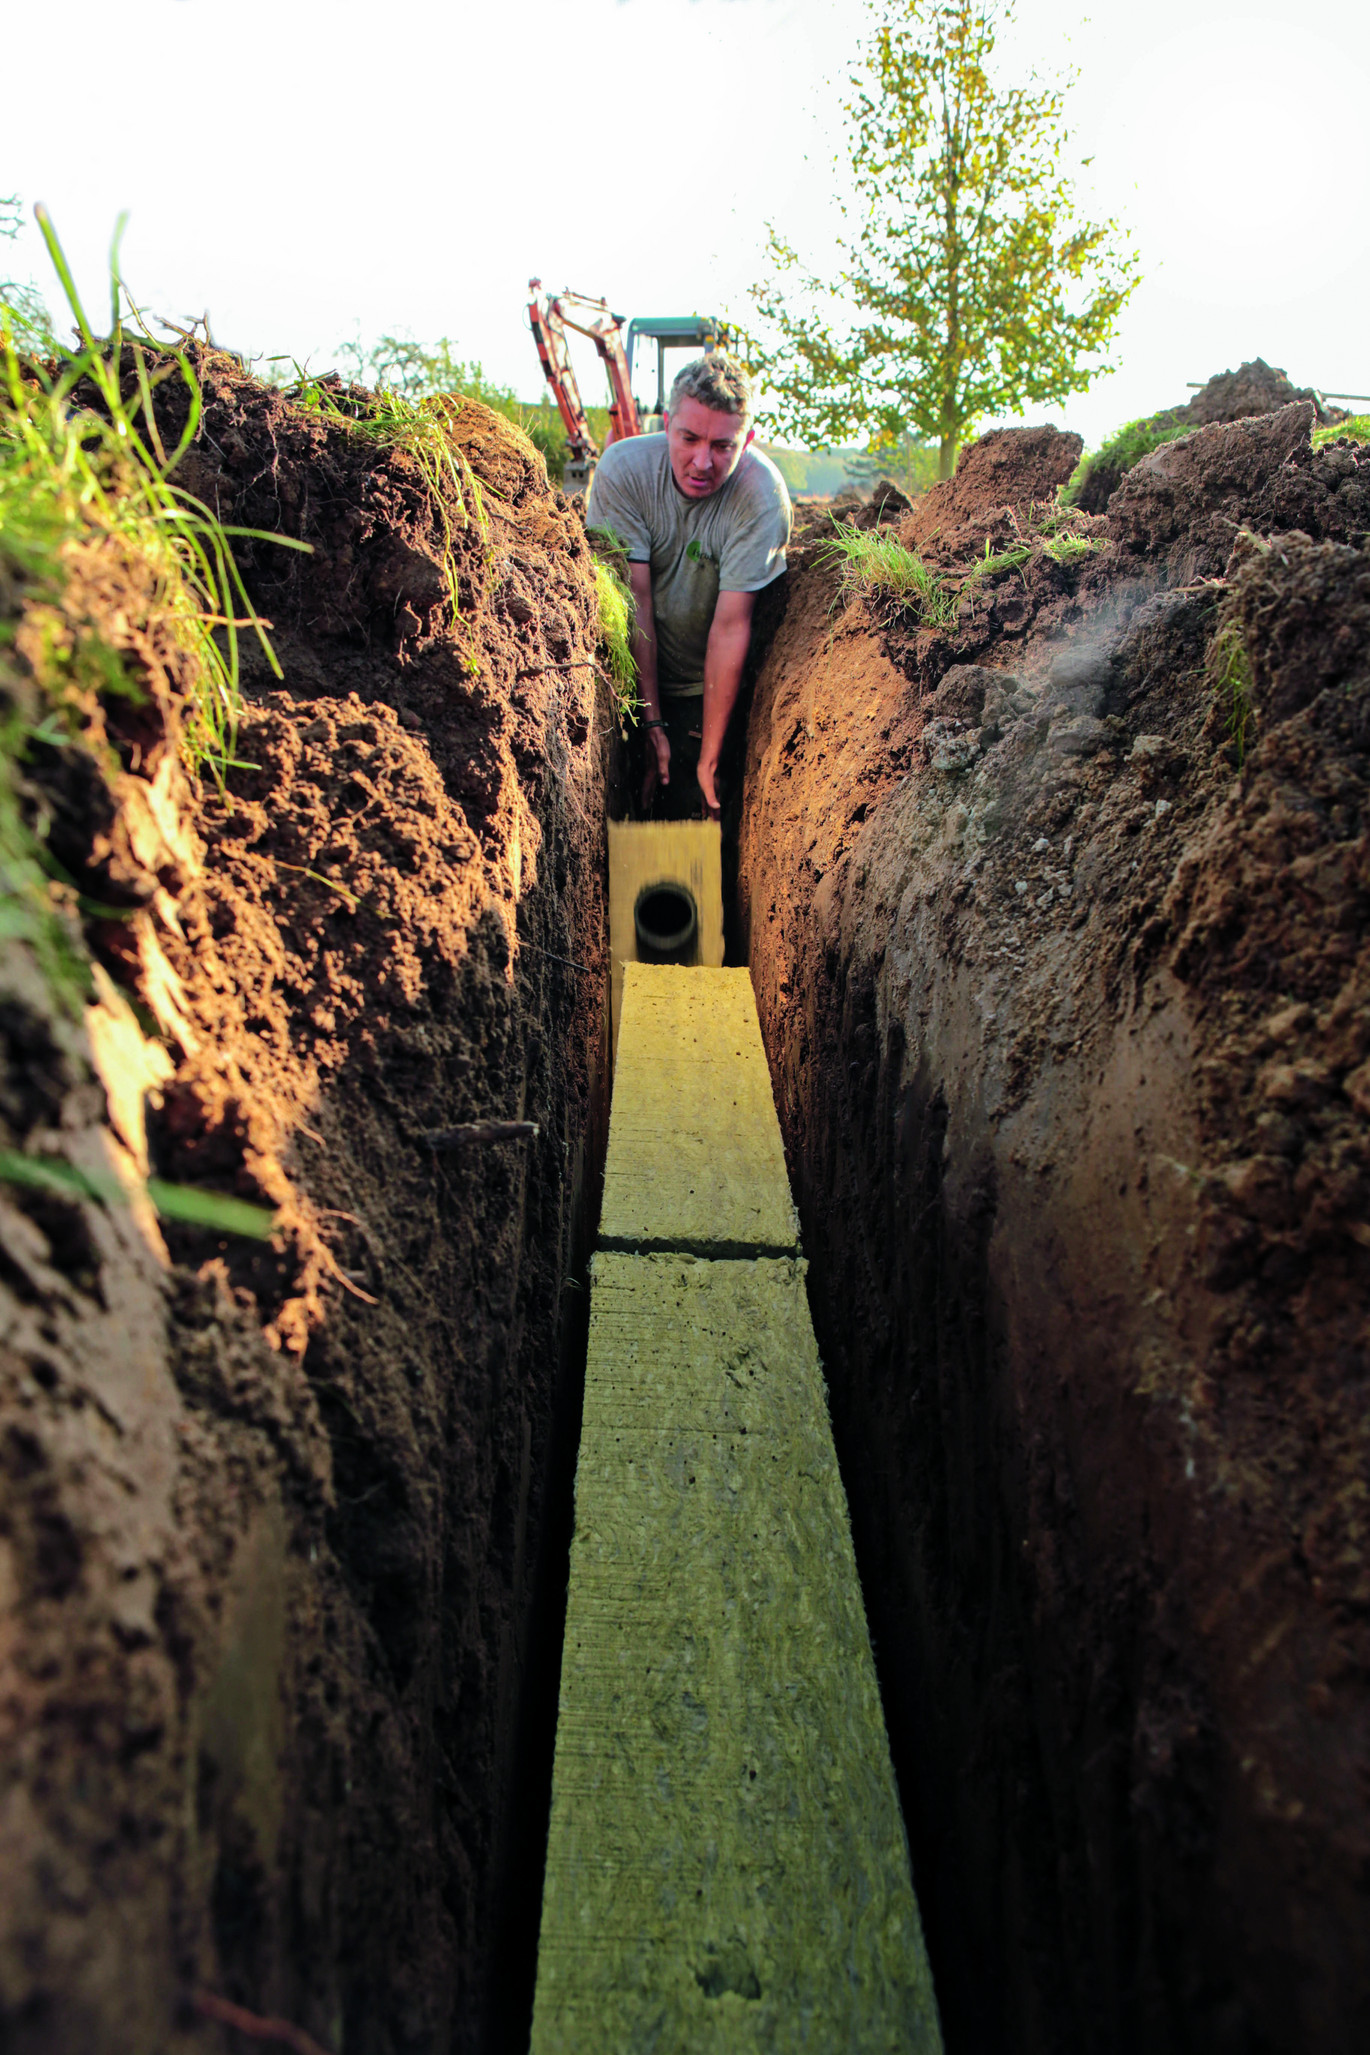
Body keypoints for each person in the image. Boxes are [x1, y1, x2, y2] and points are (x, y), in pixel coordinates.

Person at [586, 353, 791, 820]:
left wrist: (709, 756)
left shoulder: (759, 495)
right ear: (666, 424)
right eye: (689, 438)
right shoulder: (625, 471)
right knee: (629, 800)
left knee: (693, 805)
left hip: (710, 683)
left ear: (749, 440)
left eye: (723, 446)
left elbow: (730, 626)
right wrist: (651, 721)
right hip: (631, 676)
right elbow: (634, 598)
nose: (703, 461)